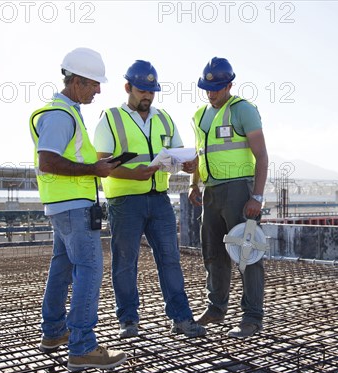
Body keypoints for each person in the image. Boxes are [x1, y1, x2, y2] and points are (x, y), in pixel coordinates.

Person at [29, 47, 127, 371]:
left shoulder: (67, 113)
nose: (99, 90)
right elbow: (49, 160)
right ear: (78, 81)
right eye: (95, 84)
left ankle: (54, 332)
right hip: (73, 207)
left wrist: (96, 165)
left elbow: (65, 158)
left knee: (61, 268)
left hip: (63, 206)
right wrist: (94, 171)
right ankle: (82, 346)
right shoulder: (60, 115)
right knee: (89, 269)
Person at [93, 60, 206, 339]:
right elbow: (101, 163)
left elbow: (180, 155)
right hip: (124, 202)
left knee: (170, 259)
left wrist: (188, 165)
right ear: (128, 87)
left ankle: (181, 318)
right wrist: (135, 175)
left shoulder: (165, 118)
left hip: (159, 201)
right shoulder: (110, 118)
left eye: (151, 91)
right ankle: (128, 321)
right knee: (125, 262)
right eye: (142, 90)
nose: (147, 95)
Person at [189, 57, 269, 338]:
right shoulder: (199, 116)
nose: (212, 94)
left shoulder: (243, 110)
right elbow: (200, 154)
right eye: (208, 89)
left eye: (218, 89)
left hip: (239, 190)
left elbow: (261, 156)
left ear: (230, 85)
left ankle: (252, 317)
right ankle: (216, 308)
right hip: (211, 192)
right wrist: (194, 184)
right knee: (213, 253)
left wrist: (256, 196)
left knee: (247, 254)